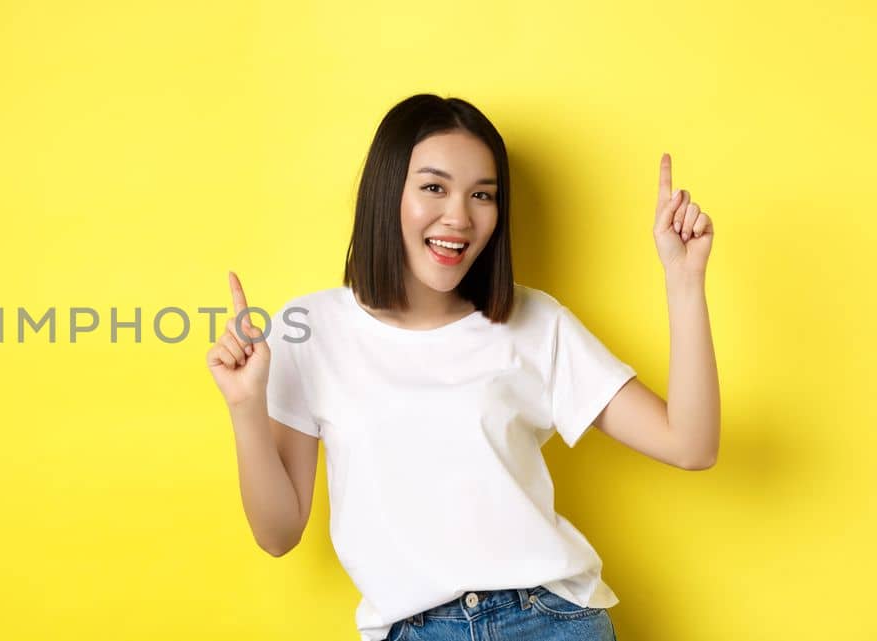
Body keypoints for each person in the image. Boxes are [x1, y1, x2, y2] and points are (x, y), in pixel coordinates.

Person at [205, 94, 720, 641]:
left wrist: (683, 280)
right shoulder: (311, 327)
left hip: (548, 622)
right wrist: (244, 408)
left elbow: (690, 444)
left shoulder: (535, 322)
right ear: (388, 194)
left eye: (482, 195)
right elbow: (278, 533)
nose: (459, 216)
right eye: (434, 187)